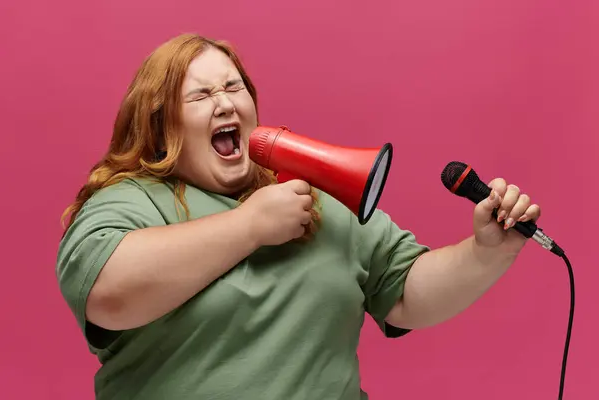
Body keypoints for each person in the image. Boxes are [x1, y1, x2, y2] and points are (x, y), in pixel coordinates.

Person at [56, 33, 541, 400]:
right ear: (160, 124)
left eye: (234, 87)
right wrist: (249, 228)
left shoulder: (312, 197)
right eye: (201, 95)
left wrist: (486, 253)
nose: (225, 102)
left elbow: (408, 295)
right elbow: (109, 296)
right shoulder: (129, 201)